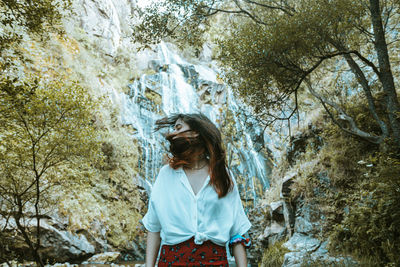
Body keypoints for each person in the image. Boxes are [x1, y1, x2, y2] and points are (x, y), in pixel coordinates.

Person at [142, 113, 251, 267]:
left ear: (196, 132)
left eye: (178, 128)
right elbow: (153, 227)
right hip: (171, 262)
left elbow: (237, 232)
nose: (173, 133)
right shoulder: (166, 174)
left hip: (215, 262)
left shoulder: (222, 175)